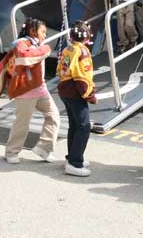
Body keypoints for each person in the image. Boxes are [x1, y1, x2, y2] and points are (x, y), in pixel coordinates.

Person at [4, 18, 61, 164]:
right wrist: (46, 49)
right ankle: (12, 152)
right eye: (43, 32)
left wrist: (43, 48)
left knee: (53, 116)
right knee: (22, 123)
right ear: (32, 31)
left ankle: (44, 148)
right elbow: (27, 57)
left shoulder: (37, 45)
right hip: (25, 90)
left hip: (40, 89)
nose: (45, 35)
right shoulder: (20, 44)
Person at [57, 20, 97, 177]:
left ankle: (72, 157)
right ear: (86, 36)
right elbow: (82, 77)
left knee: (74, 125)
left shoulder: (68, 48)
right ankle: (75, 162)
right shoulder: (83, 52)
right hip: (75, 92)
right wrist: (90, 95)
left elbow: (60, 69)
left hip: (64, 89)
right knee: (83, 126)